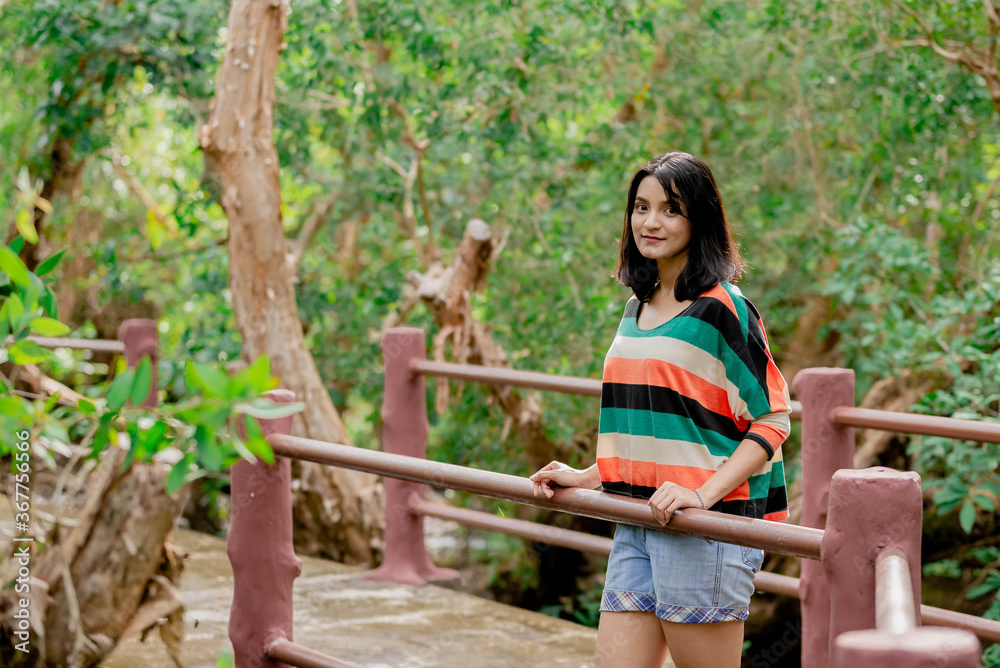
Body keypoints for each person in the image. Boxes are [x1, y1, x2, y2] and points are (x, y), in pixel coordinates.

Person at [529, 151, 791, 668]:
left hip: (705, 529)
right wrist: (587, 477)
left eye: (671, 209)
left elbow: (773, 418)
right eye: (641, 207)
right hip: (637, 519)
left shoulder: (723, 308)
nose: (651, 222)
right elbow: (656, 427)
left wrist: (701, 495)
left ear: (700, 220)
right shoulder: (638, 306)